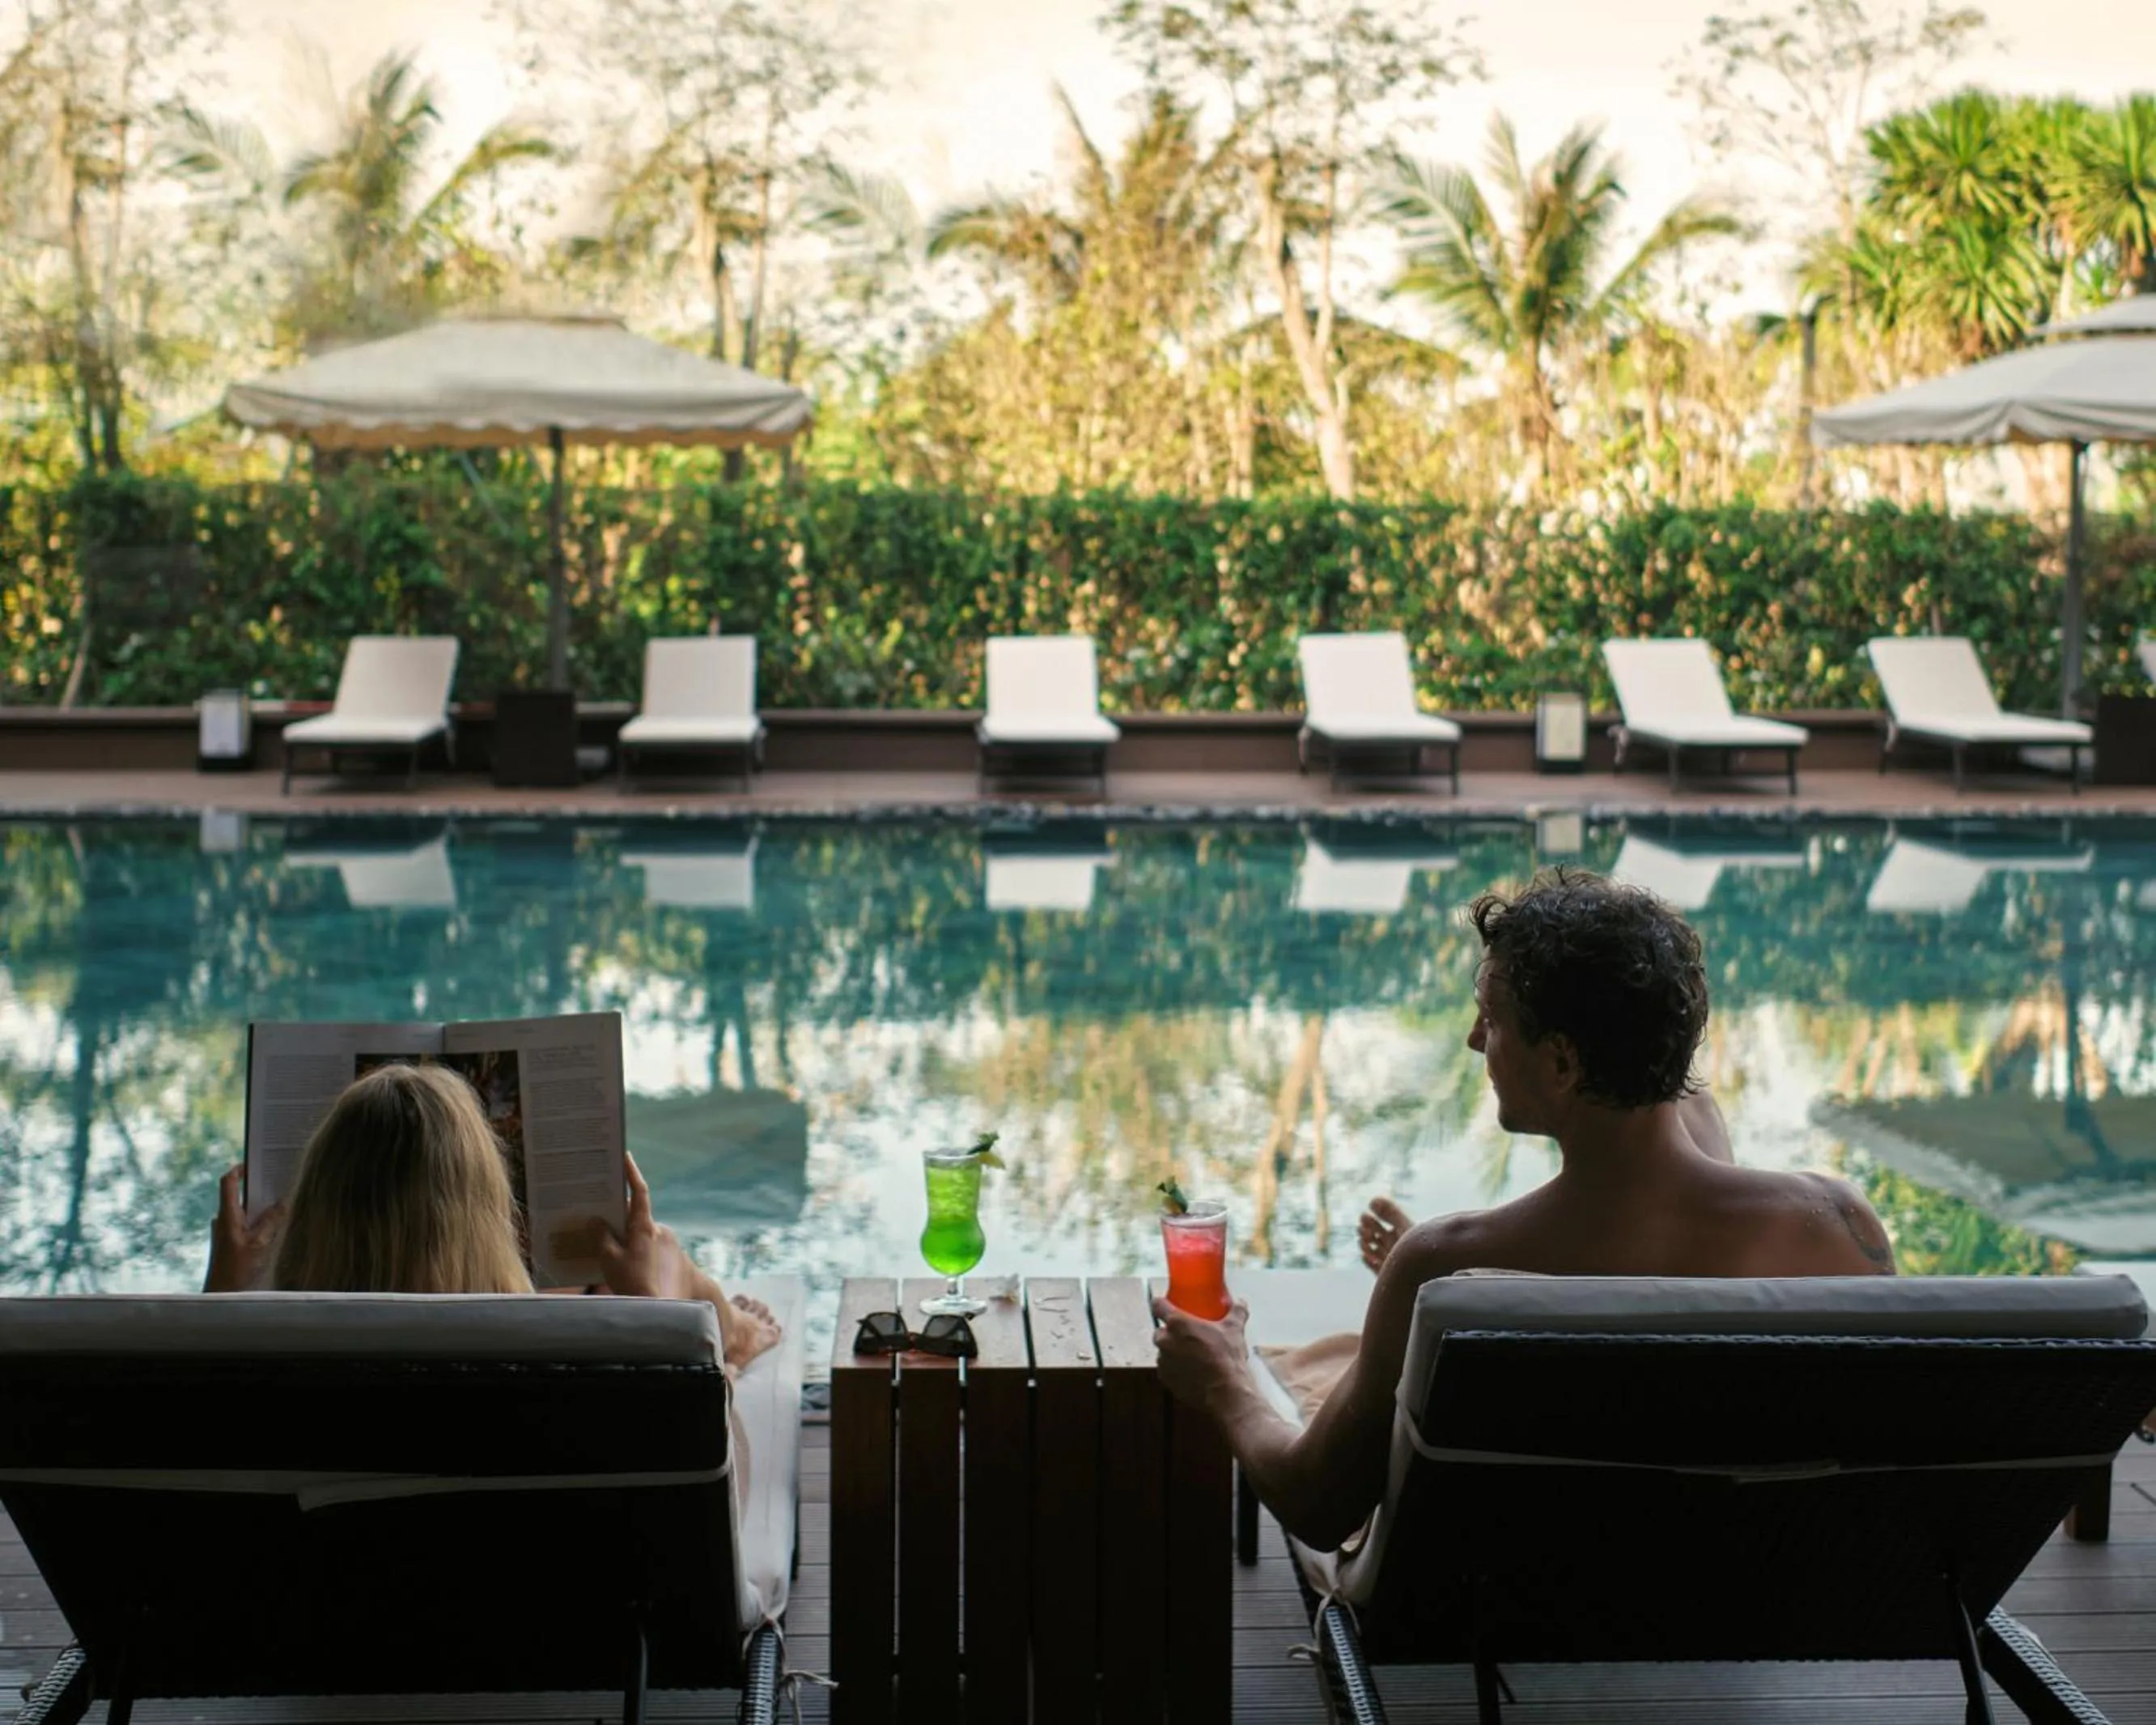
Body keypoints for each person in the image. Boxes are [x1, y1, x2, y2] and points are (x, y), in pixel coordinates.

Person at [1151, 867, 1896, 1553]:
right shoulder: (1834, 1226)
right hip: (1758, 1580)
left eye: (1491, 1018)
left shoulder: (1441, 1268)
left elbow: (1317, 1504)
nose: (1476, 1039)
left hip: (1521, 1591)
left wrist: (1224, 1378)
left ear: (1565, 1062)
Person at [203, 1061, 780, 1369]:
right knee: (658, 1260)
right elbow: (682, 1441)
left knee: (610, 1279)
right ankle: (734, 1340)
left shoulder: (264, 1369)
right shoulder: (536, 1369)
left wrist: (222, 1293)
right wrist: (651, 1309)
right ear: (484, 1209)